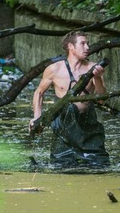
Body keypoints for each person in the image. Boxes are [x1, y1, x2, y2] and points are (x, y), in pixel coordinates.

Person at [29, 31, 110, 167]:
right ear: (70, 47)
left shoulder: (93, 68)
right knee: (61, 165)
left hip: (87, 122)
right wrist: (37, 117)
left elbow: (102, 100)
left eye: (88, 44)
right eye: (83, 44)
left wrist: (97, 78)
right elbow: (39, 92)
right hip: (63, 125)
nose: (87, 48)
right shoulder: (54, 69)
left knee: (99, 165)